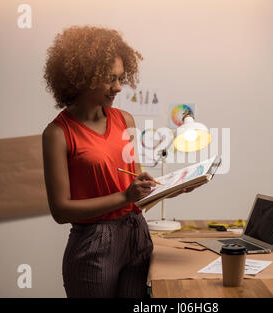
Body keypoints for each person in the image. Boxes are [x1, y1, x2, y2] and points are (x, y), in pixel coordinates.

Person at [42, 25, 194, 298]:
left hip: (137, 235)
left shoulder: (124, 120)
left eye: (121, 77)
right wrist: (125, 195)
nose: (119, 87)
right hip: (93, 245)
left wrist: (174, 187)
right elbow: (60, 211)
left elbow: (136, 196)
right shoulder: (57, 134)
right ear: (83, 77)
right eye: (110, 79)